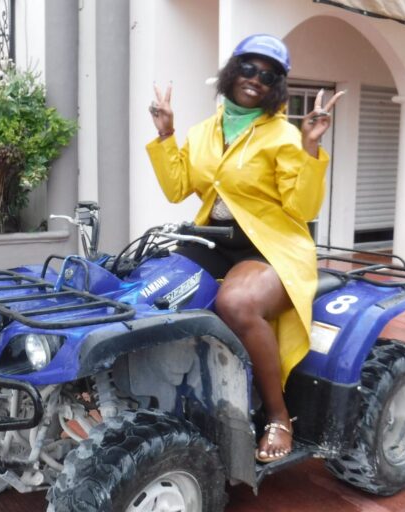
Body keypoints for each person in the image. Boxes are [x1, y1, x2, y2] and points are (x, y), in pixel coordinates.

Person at [146, 34, 344, 463]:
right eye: (249, 68)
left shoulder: (283, 135)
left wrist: (311, 147)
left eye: (268, 74)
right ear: (233, 71)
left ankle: (277, 415)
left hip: (270, 245)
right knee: (150, 291)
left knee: (236, 303)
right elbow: (178, 188)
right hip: (213, 241)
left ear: (277, 86)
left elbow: (302, 207)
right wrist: (165, 135)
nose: (256, 78)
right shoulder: (203, 132)